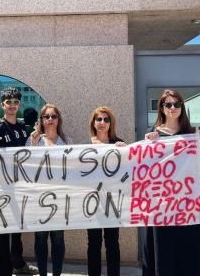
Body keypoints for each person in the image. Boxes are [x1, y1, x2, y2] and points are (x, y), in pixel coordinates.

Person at [142, 89, 200, 276]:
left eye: (176, 104)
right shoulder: (152, 134)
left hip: (187, 206)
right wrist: (146, 143)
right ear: (162, 108)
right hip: (162, 207)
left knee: (188, 255)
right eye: (168, 104)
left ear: (182, 107)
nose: (172, 108)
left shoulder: (191, 134)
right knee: (163, 255)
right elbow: (142, 165)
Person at [0, 87, 39, 276]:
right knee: (1, 232)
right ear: (3, 105)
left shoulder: (24, 129)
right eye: (9, 102)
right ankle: (3, 270)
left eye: (16, 102)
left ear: (19, 104)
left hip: (20, 187)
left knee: (17, 230)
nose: (12, 106)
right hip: (1, 188)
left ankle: (18, 264)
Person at [26, 104, 68, 276]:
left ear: (58, 119)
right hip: (39, 197)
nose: (50, 120)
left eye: (53, 116)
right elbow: (24, 164)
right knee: (41, 238)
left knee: (58, 239)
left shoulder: (66, 142)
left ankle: (57, 273)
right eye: (46, 117)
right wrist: (33, 143)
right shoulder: (34, 140)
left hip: (59, 198)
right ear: (41, 120)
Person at [85, 106, 126, 276]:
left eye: (106, 119)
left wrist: (126, 150)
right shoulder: (85, 146)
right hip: (93, 203)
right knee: (93, 243)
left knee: (112, 243)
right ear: (93, 123)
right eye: (99, 119)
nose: (102, 123)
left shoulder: (118, 143)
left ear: (111, 123)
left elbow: (128, 170)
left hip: (113, 202)